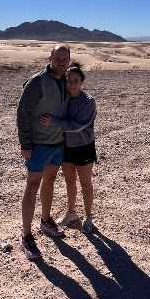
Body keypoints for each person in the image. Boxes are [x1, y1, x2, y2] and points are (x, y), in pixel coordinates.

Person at [17, 44, 71, 260]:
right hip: (38, 144)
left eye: (65, 58)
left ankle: (46, 220)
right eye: (58, 57)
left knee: (50, 181)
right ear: (50, 57)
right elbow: (22, 113)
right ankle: (26, 236)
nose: (61, 62)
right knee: (32, 186)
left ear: (69, 60)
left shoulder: (67, 80)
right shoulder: (37, 82)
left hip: (57, 143)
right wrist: (25, 144)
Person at [40, 61, 97, 233]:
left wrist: (54, 122)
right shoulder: (63, 99)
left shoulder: (88, 101)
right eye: (69, 80)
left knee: (85, 183)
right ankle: (71, 213)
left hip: (83, 147)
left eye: (75, 81)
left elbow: (77, 126)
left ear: (82, 82)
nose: (72, 84)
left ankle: (88, 217)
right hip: (66, 147)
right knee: (69, 181)